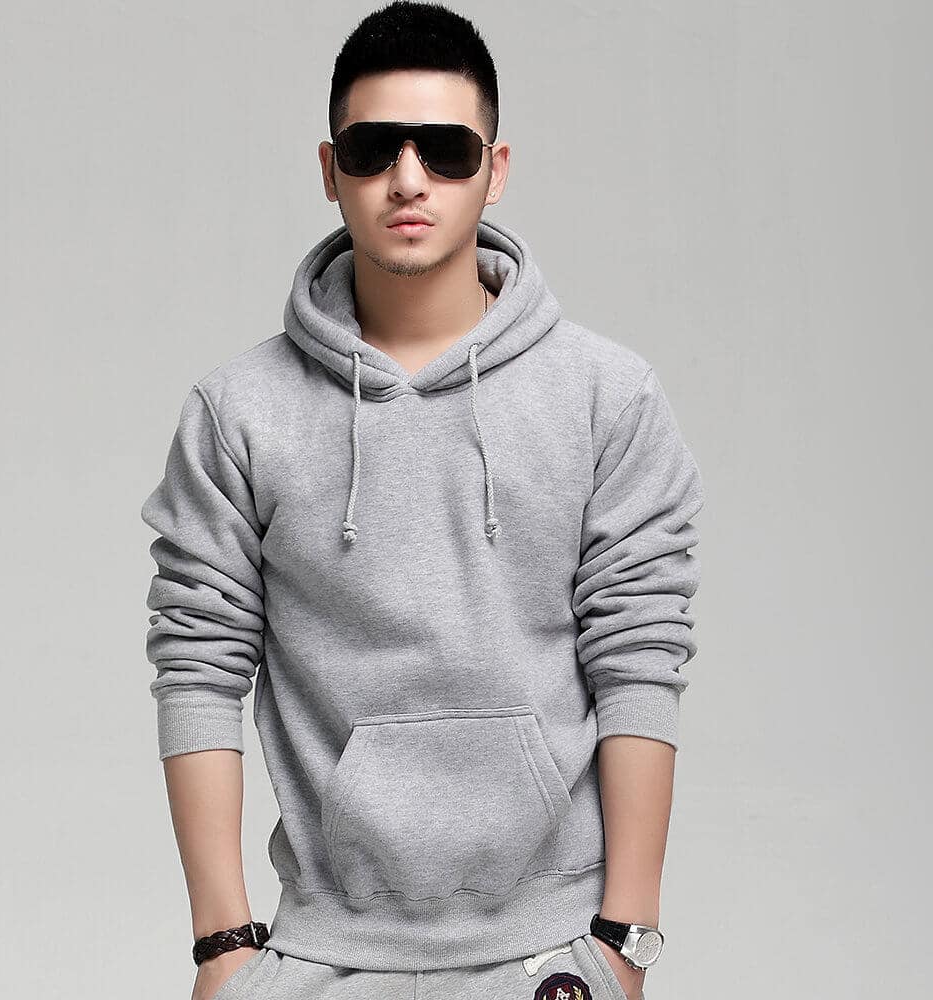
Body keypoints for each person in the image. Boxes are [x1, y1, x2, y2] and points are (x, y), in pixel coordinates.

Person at [140, 3, 704, 999]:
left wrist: (626, 939)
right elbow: (198, 664)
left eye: (445, 150)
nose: (409, 178)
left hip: (551, 956)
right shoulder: (239, 412)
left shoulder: (606, 398)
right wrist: (222, 946)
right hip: (318, 955)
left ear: (495, 167)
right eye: (374, 149)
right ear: (330, 170)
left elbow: (638, 655)